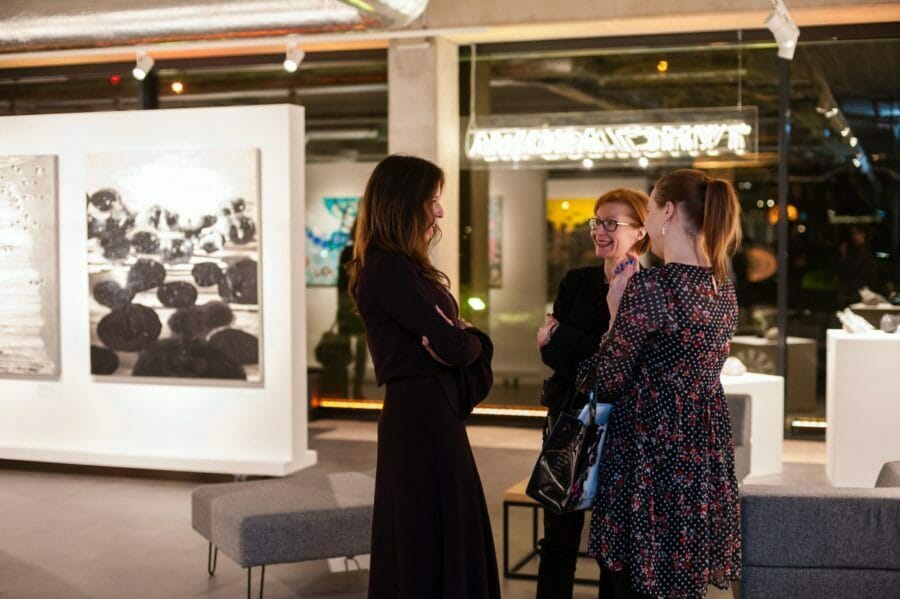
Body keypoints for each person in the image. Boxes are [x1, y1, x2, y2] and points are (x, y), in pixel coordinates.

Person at [579, 169, 743, 598]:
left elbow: (603, 380)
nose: (647, 216)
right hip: (699, 452)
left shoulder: (652, 286)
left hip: (647, 455)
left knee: (631, 582)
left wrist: (614, 316)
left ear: (668, 211)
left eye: (650, 206)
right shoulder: (722, 289)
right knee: (677, 581)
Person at [347, 154, 501, 599]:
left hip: (429, 413)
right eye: (432, 200)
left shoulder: (400, 267)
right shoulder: (388, 269)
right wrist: (468, 339)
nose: (440, 211)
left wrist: (461, 339)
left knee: (432, 527)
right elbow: (454, 345)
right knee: (426, 529)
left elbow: (450, 343)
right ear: (404, 202)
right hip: (420, 417)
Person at [535, 188, 650, 599]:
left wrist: (568, 337)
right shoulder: (576, 282)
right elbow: (552, 355)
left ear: (640, 232)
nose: (599, 231)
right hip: (568, 419)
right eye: (596, 222)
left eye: (611, 223)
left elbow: (631, 364)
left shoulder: (647, 289)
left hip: (620, 429)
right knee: (558, 539)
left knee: (611, 545)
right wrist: (593, 343)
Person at [337, 221, 368, 398]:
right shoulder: (359, 254)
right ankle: (354, 387)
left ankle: (351, 386)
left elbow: (341, 284)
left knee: (356, 347)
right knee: (359, 348)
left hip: (350, 304)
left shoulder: (349, 253)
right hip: (353, 304)